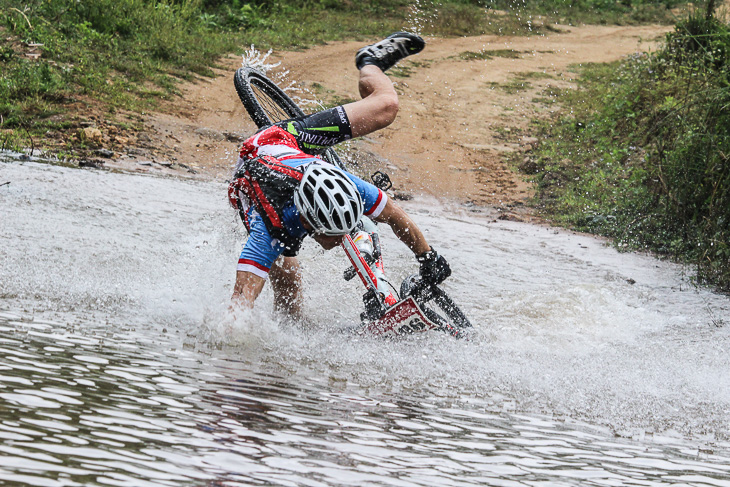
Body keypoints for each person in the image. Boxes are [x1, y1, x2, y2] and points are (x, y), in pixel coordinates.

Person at [229, 32, 451, 320]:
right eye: (335, 233)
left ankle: (369, 61)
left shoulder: (353, 188)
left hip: (286, 140)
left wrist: (427, 256)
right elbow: (239, 303)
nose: (342, 237)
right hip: (255, 178)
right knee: (289, 283)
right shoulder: (270, 228)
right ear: (310, 224)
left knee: (386, 106)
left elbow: (394, 214)